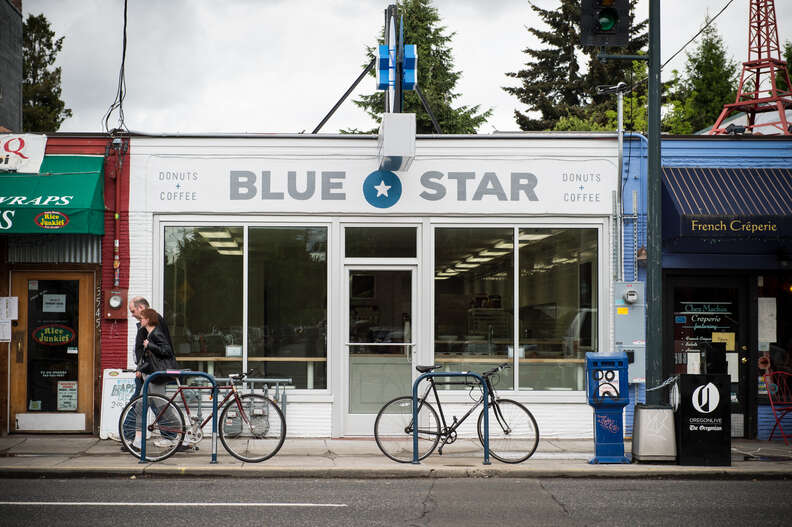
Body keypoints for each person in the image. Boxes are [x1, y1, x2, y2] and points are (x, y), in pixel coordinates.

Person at [120, 297, 175, 451]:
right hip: (147, 371)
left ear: (142, 307)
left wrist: (141, 366)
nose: (132, 315)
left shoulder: (154, 324)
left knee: (148, 403)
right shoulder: (146, 324)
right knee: (145, 404)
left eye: (133, 311)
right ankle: (136, 438)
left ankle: (174, 435)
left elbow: (163, 349)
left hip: (152, 372)